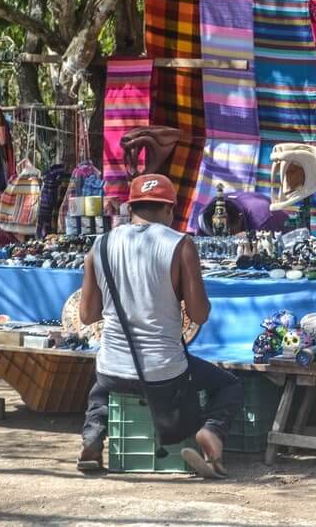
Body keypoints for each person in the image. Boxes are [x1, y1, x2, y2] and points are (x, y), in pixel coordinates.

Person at [77, 174, 243, 478]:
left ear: (130, 208)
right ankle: (213, 433)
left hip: (112, 368)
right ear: (170, 210)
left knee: (101, 386)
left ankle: (93, 437)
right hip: (164, 372)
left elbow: (87, 315)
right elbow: (200, 314)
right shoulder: (181, 245)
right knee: (228, 384)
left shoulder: (99, 245)